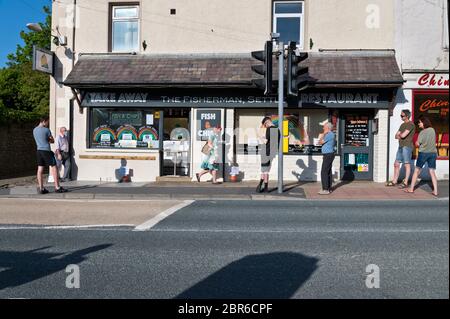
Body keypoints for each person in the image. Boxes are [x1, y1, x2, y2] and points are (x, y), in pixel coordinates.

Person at [33, 116, 68, 194]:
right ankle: (57, 187)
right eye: (47, 122)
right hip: (46, 150)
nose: (48, 123)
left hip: (39, 151)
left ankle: (41, 188)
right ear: (44, 121)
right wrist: (48, 139)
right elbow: (52, 141)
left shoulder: (34, 130)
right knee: (54, 167)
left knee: (40, 169)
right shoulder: (46, 130)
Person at [405, 116, 438, 196]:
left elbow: (417, 144)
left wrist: (416, 142)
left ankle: (411, 189)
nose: (419, 124)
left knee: (417, 171)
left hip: (423, 153)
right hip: (433, 153)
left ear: (424, 123)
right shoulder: (432, 130)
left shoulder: (422, 132)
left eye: (420, 122)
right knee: (432, 171)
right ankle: (435, 191)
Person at [386, 109, 415, 188]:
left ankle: (405, 182)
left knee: (406, 164)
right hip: (401, 146)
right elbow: (396, 136)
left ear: (407, 116)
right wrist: (400, 135)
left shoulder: (411, 124)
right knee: (396, 164)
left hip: (407, 146)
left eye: (402, 116)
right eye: (400, 115)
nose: (401, 117)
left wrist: (400, 135)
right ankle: (394, 181)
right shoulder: (402, 125)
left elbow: (403, 135)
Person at [256, 117, 279, 193]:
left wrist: (259, 136)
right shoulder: (278, 130)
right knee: (266, 171)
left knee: (264, 171)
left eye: (265, 125)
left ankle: (262, 185)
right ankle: (264, 187)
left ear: (267, 122)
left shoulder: (269, 129)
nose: (265, 127)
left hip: (265, 152)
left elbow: (265, 141)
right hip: (272, 153)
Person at [318, 122, 336, 195]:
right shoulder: (331, 134)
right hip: (329, 154)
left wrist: (324, 134)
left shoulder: (329, 134)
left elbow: (320, 142)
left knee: (324, 172)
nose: (323, 128)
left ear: (327, 128)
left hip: (328, 155)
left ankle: (325, 189)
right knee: (328, 171)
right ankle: (328, 188)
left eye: (324, 127)